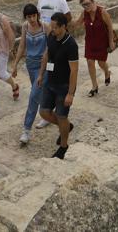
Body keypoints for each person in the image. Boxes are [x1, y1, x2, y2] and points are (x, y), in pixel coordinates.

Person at [36, 12, 79, 159]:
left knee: (61, 116)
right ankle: (66, 127)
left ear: (63, 27)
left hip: (63, 86)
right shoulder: (51, 37)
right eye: (51, 26)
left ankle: (63, 146)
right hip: (50, 82)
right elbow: (47, 55)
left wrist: (71, 93)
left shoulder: (71, 45)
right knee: (44, 112)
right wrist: (41, 74)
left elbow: (74, 71)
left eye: (55, 27)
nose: (52, 29)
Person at [11, 3, 49, 145]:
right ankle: (47, 115)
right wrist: (15, 65)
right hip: (30, 64)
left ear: (37, 15)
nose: (32, 19)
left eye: (33, 16)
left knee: (33, 96)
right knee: (40, 92)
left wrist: (43, 70)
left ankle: (26, 130)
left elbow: (49, 48)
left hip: (43, 66)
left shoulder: (45, 27)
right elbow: (22, 46)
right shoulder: (25, 27)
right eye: (29, 16)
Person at [73, 0, 115, 97]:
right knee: (90, 62)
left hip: (102, 42)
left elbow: (110, 27)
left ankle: (107, 72)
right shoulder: (84, 13)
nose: (86, 7)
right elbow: (77, 23)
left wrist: (111, 42)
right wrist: (66, 20)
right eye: (84, 5)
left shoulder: (102, 12)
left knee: (101, 63)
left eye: (87, 4)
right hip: (90, 42)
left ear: (93, 2)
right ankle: (94, 86)